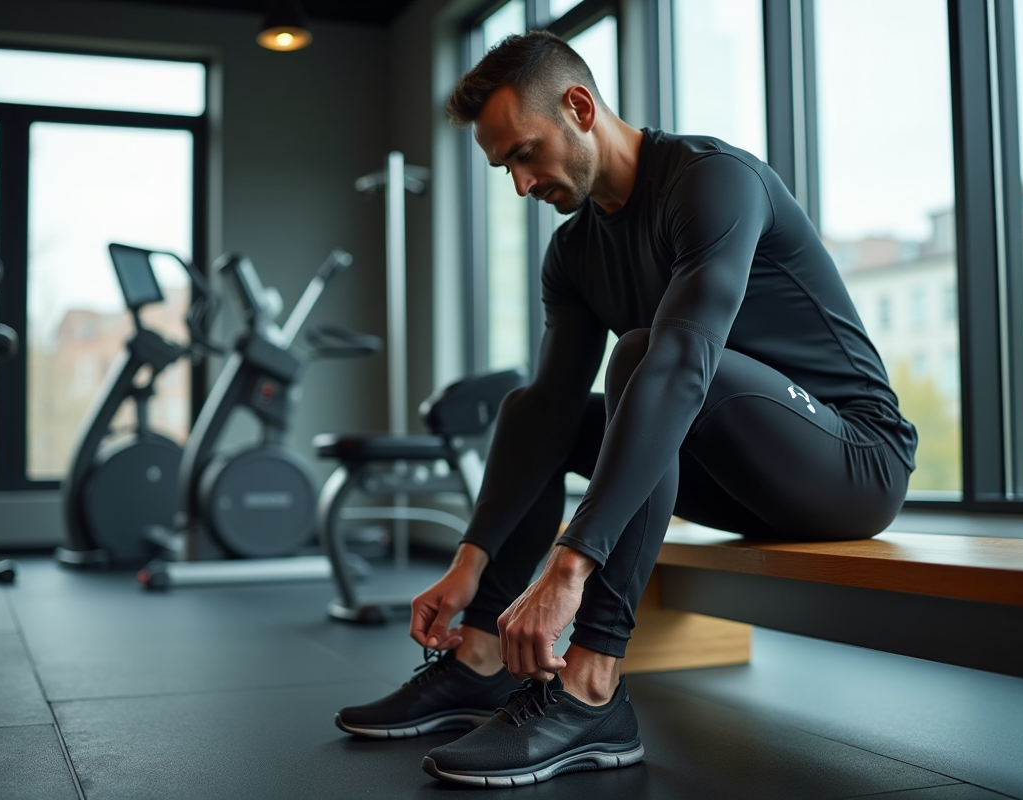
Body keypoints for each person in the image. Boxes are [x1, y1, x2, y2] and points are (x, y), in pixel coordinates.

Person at [335, 30, 916, 788]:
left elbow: (681, 364)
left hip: (853, 463)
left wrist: (570, 564)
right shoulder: (573, 253)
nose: (519, 184)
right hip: (739, 473)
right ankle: (479, 658)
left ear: (579, 106)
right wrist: (469, 562)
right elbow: (550, 410)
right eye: (504, 164)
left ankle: (591, 687)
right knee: (533, 408)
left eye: (524, 153)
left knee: (646, 356)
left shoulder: (713, 183)